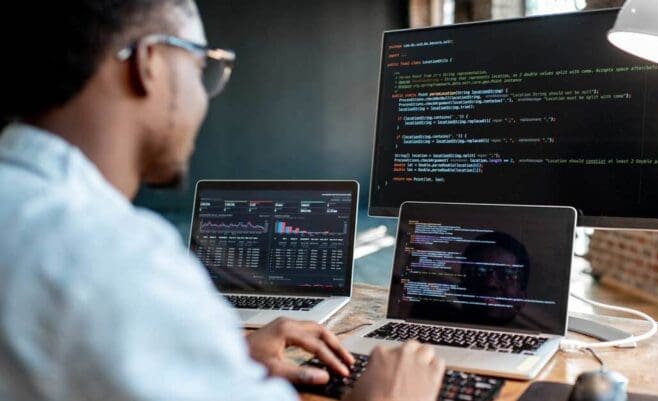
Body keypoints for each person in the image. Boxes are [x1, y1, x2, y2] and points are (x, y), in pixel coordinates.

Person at [0, 1, 444, 400]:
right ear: (149, 62)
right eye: (202, 68)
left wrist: (218, 357)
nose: (204, 97)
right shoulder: (119, 259)